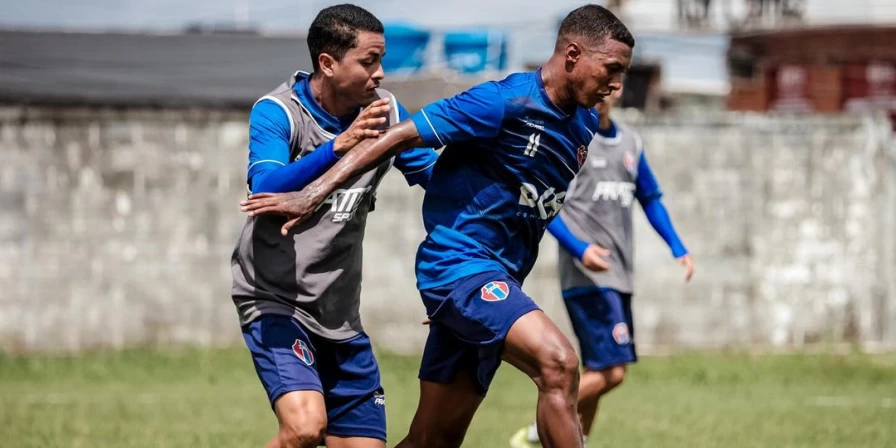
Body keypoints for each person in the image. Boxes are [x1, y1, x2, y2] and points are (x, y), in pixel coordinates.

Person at [241, 5, 633, 448]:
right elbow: (392, 138)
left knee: (433, 439)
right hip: (316, 294)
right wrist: (318, 183)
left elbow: (454, 180)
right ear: (574, 54)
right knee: (559, 364)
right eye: (370, 61)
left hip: (420, 294)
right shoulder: (500, 101)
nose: (617, 85)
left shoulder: (581, 123)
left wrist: (461, 297)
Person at [231, 4, 437, 448]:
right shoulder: (278, 112)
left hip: (341, 316)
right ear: (328, 62)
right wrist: (337, 148)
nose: (380, 73)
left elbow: (436, 180)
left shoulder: (385, 111)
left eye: (381, 60)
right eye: (369, 61)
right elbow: (265, 187)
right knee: (305, 428)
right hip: (276, 300)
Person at [509, 88, 694, 448]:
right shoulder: (571, 140)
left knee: (599, 370)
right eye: (602, 82)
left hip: (619, 274)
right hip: (588, 275)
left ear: (622, 88)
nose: (606, 92)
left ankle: (575, 440)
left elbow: (650, 198)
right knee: (613, 372)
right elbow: (544, 203)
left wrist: (677, 246)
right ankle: (540, 428)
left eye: (615, 83)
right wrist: (580, 249)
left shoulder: (630, 143)